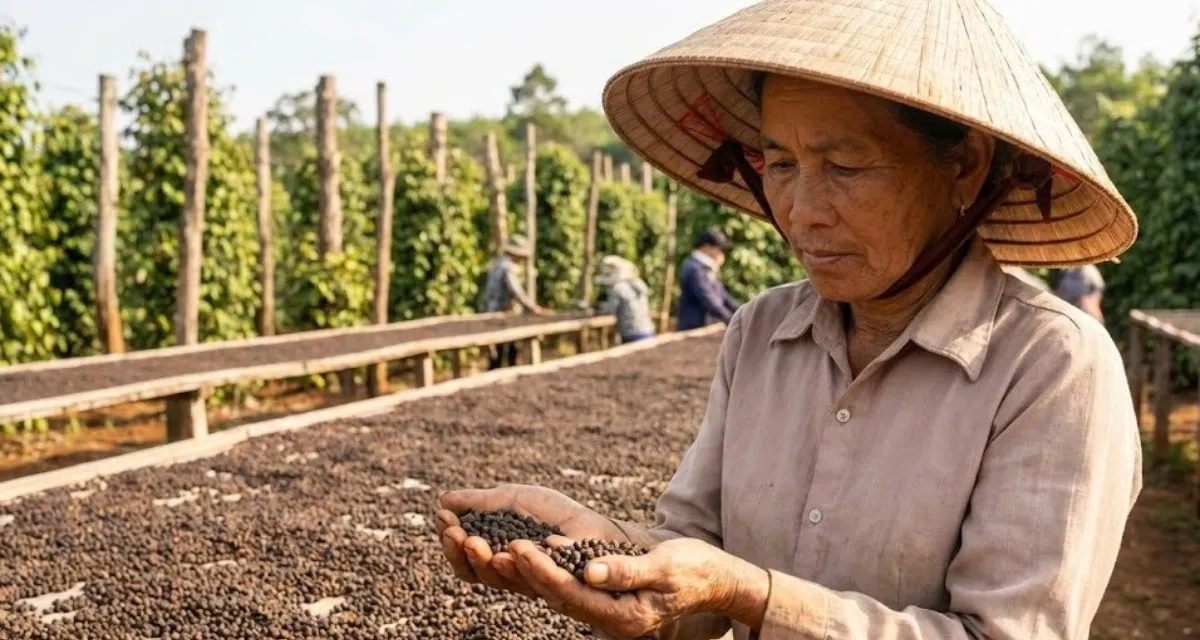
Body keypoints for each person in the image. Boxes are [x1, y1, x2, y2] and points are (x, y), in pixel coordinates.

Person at [437, 2, 1143, 639]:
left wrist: (754, 594)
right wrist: (601, 552)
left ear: (963, 166)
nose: (801, 211)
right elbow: (694, 561)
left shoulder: (1053, 365)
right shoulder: (762, 332)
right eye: (779, 163)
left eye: (845, 165)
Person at [480, 234, 546, 369]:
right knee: (504, 350)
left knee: (502, 348)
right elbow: (516, 290)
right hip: (499, 313)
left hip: (493, 311)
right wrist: (531, 307)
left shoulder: (497, 264)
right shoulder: (507, 267)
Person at [676, 227, 740, 330]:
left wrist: (742, 311)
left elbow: (723, 296)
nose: (721, 254)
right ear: (706, 247)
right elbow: (708, 299)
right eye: (719, 249)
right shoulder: (693, 268)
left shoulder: (706, 268)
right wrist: (731, 320)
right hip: (693, 328)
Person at [594, 255, 656, 344]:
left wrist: (598, 307)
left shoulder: (617, 289)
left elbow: (610, 311)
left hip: (630, 334)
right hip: (648, 331)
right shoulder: (638, 284)